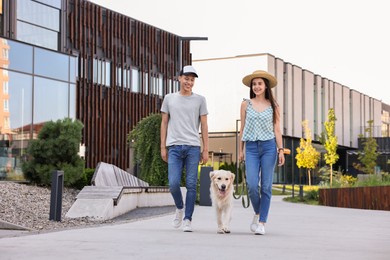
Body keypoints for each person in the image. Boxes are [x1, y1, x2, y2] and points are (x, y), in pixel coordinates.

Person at [160, 65, 209, 232]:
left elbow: (204, 125)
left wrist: (205, 149)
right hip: (173, 146)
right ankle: (179, 208)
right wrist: (163, 147)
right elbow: (164, 123)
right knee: (173, 184)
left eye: (192, 79)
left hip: (193, 147)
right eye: (186, 78)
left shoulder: (200, 100)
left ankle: (188, 219)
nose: (189, 82)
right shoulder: (169, 98)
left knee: (191, 184)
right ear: (179, 78)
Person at [238, 70, 285, 235]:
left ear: (266, 86)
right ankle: (258, 213)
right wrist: (240, 150)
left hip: (269, 147)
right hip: (250, 147)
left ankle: (262, 222)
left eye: (260, 83)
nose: (257, 86)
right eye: (254, 84)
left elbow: (277, 129)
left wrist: (280, 150)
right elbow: (242, 128)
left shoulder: (274, 106)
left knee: (266, 187)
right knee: (252, 185)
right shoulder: (245, 104)